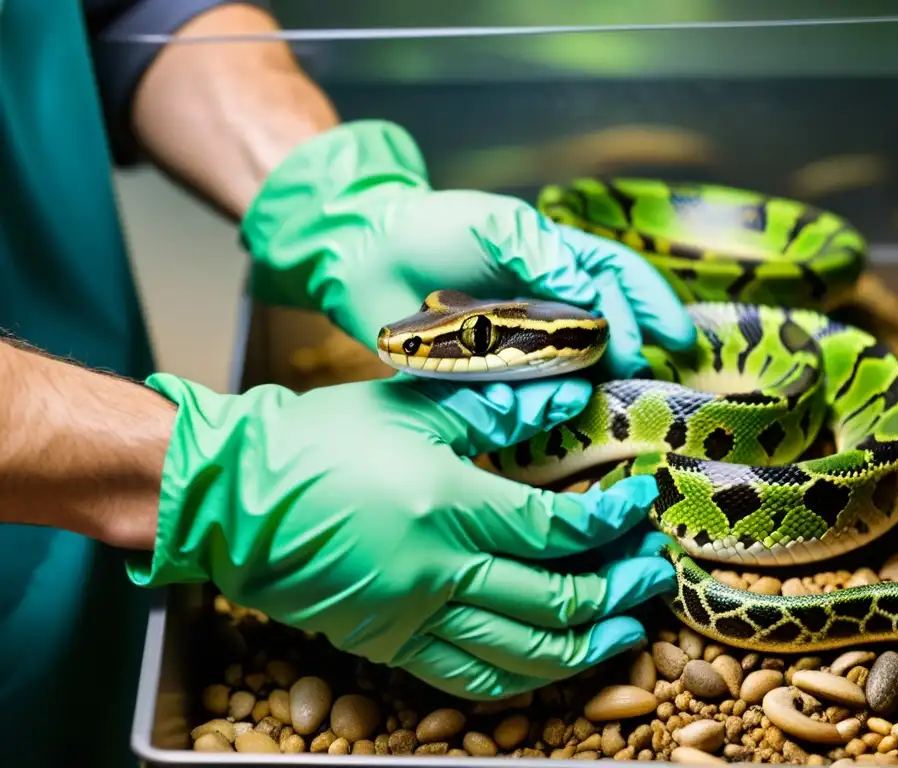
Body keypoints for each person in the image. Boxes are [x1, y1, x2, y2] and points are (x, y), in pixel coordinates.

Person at [0, 1, 696, 764]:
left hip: (119, 558)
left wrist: (340, 202)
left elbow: (125, 13)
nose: (399, 341)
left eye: (475, 335)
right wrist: (199, 475)